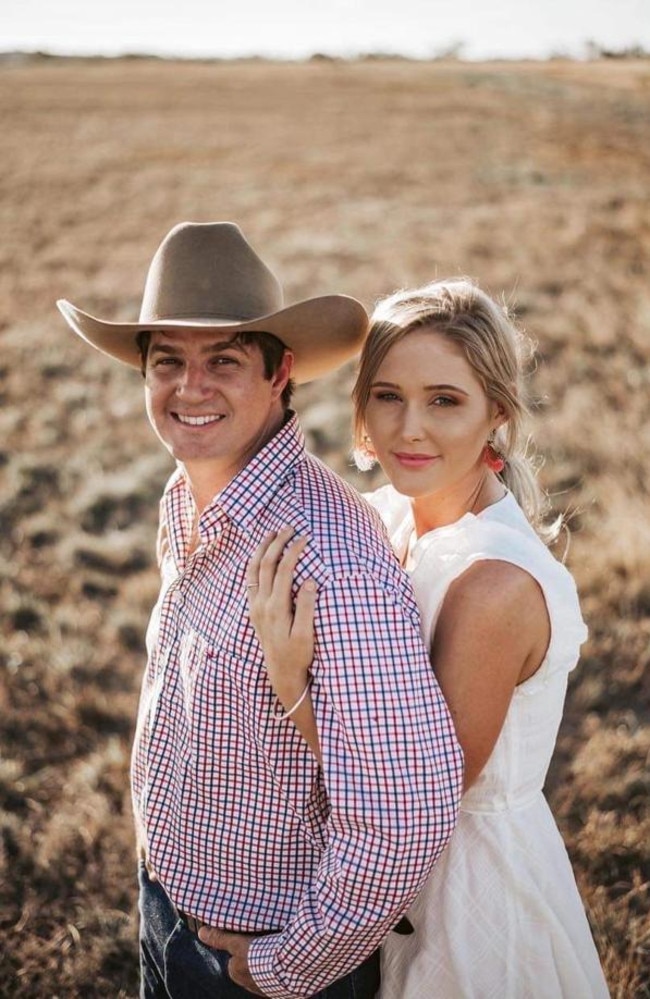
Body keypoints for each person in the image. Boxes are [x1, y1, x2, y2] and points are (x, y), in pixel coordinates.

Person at [56, 222, 464, 999]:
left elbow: (404, 814)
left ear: (281, 375)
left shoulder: (332, 564)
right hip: (168, 907)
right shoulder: (191, 492)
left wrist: (284, 964)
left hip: (256, 960)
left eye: (224, 361)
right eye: (167, 360)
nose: (191, 386)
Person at [249, 277, 609, 998]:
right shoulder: (389, 519)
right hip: (376, 873)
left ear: (496, 414)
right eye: (388, 396)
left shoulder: (493, 585)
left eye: (444, 400)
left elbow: (422, 790)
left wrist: (294, 684)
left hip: (468, 899)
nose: (410, 428)